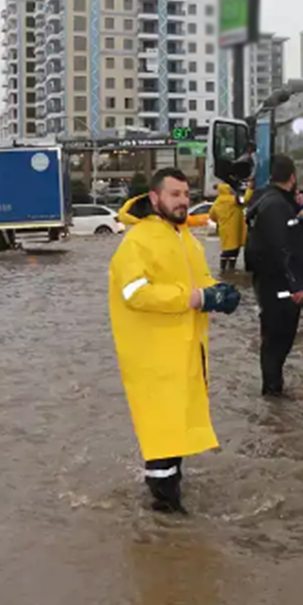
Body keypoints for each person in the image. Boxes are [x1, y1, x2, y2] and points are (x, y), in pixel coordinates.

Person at [108, 168, 240, 514]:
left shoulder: (183, 238)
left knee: (174, 435)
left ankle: (167, 512)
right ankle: (166, 522)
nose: (183, 201)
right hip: (154, 360)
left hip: (184, 355)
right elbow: (134, 293)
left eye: (186, 194)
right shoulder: (137, 241)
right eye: (175, 194)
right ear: (155, 198)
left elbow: (198, 280)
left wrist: (218, 293)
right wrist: (194, 298)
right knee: (162, 439)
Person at [246, 154, 303, 398]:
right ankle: (272, 392)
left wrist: (295, 208)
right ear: (292, 178)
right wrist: (295, 286)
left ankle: (274, 391)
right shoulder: (276, 205)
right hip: (278, 284)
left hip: (270, 282)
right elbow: (282, 247)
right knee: (278, 339)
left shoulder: (270, 200)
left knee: (276, 338)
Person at [207, 182, 247, 274]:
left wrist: (220, 221)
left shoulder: (216, 203)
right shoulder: (234, 200)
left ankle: (223, 270)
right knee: (234, 251)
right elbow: (245, 201)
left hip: (224, 230)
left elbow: (212, 216)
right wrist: (250, 189)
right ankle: (231, 270)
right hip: (236, 230)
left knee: (226, 250)